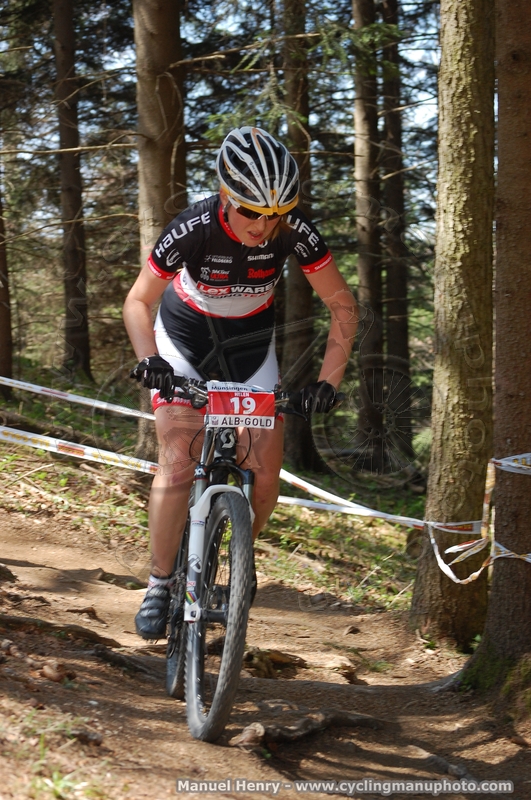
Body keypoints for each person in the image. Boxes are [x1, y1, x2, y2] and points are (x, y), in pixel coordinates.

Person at [123, 126, 358, 639]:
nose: (263, 225)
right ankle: (159, 582)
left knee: (266, 473)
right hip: (184, 341)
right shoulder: (194, 227)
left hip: (249, 349)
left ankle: (238, 560)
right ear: (226, 195)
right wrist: (150, 360)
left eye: (276, 214)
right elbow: (137, 301)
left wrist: (327, 383)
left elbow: (343, 307)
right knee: (178, 462)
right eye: (251, 211)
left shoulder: (294, 230)